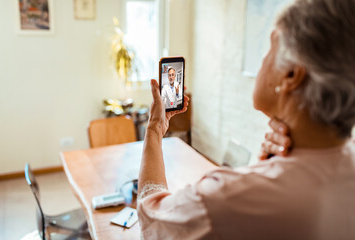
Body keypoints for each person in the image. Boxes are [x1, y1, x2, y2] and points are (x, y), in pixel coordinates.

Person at [137, 0, 355, 239]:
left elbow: (151, 217)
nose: (262, 60)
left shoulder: (225, 199)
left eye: (270, 48)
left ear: (291, 75)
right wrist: (270, 165)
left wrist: (155, 128)